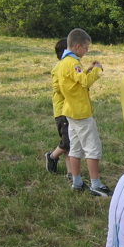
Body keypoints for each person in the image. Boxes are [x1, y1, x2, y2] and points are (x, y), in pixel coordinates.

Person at [58, 28, 111, 197]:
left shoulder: (64, 62)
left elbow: (76, 80)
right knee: (92, 147)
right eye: (86, 48)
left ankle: (77, 182)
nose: (87, 51)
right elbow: (85, 82)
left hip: (70, 110)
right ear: (78, 46)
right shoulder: (73, 63)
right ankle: (96, 184)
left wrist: (87, 68)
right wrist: (96, 70)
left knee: (75, 147)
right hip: (81, 113)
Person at [45, 38, 73, 179]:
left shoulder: (68, 65)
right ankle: (52, 156)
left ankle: (70, 172)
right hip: (62, 111)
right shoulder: (59, 68)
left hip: (70, 109)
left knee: (70, 142)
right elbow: (57, 87)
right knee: (67, 141)